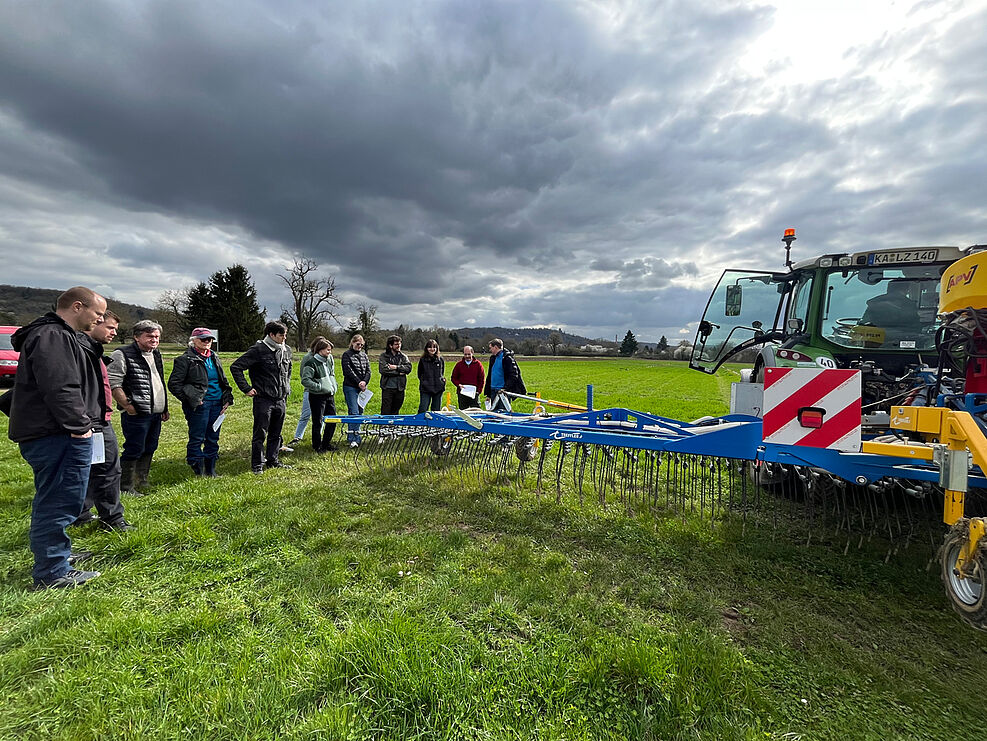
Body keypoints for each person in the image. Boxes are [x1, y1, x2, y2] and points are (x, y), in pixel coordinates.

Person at [7, 286, 106, 590]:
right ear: (78, 307)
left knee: (59, 498)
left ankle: (58, 555)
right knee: (58, 502)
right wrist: (80, 427)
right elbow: (60, 386)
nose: (99, 319)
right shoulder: (53, 336)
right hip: (59, 433)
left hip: (57, 432)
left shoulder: (56, 336)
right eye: (97, 313)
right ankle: (52, 571)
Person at [75, 310, 134, 531]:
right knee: (107, 469)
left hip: (97, 417)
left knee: (93, 467)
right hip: (90, 420)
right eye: (110, 327)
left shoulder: (93, 350)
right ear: (94, 323)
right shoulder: (79, 350)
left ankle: (82, 513)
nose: (113, 333)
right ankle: (112, 519)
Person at [108, 319, 170, 494]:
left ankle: (141, 480)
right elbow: (113, 383)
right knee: (134, 448)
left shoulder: (156, 354)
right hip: (136, 413)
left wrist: (164, 407)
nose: (154, 340)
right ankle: (125, 486)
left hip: (155, 412)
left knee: (150, 446)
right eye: (149, 336)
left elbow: (158, 382)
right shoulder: (121, 354)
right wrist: (127, 405)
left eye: (157, 337)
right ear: (136, 337)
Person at [167, 327, 235, 477]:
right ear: (193, 341)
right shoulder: (185, 359)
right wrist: (192, 399)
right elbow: (174, 384)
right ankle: (198, 469)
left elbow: (222, 380)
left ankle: (211, 471)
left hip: (217, 404)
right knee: (197, 437)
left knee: (213, 437)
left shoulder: (214, 357)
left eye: (209, 339)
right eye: (203, 339)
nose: (207, 342)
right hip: (200, 405)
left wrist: (227, 398)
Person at [231, 321, 293, 474]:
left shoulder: (287, 350)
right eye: (281, 335)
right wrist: (246, 388)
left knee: (276, 433)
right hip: (264, 398)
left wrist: (286, 388)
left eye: (285, 334)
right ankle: (257, 464)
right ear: (271, 335)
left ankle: (273, 460)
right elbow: (236, 367)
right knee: (260, 433)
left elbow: (288, 370)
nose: (284, 338)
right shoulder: (258, 350)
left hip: (280, 398)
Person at [300, 336, 339, 452]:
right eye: (328, 350)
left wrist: (333, 386)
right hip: (317, 396)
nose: (329, 352)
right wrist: (319, 387)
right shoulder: (311, 363)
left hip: (329, 395)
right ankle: (317, 445)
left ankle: (326, 443)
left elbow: (331, 374)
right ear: (320, 350)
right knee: (318, 422)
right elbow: (305, 380)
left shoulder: (328, 361)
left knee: (332, 420)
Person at [341, 334, 371, 447]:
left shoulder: (364, 355)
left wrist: (364, 382)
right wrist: (359, 382)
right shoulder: (346, 355)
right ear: (352, 343)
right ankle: (353, 438)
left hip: (362, 388)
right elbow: (348, 371)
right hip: (350, 386)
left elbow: (368, 371)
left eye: (362, 345)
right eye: (358, 344)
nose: (360, 346)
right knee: (354, 412)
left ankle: (355, 436)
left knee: (360, 411)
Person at [484, 338, 526, 412]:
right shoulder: (492, 358)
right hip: (493, 390)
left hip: (503, 392)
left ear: (496, 347)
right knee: (493, 414)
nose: (490, 350)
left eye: (491, 348)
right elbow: (490, 375)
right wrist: (488, 394)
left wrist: (505, 388)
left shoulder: (507, 358)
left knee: (503, 413)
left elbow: (513, 375)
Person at [378, 334, 412, 414]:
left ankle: (394, 426)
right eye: (396, 344)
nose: (399, 346)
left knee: (396, 411)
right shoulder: (384, 356)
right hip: (387, 388)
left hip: (400, 388)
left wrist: (396, 367)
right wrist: (399, 372)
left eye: (400, 344)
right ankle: (384, 426)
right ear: (390, 345)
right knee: (386, 410)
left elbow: (408, 368)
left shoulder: (403, 357)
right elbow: (383, 370)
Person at [450, 345, 485, 409]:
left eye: (469, 354)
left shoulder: (478, 365)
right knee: (463, 413)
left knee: (475, 413)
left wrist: (479, 391)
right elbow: (453, 378)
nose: (467, 356)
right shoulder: (459, 365)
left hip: (474, 393)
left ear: (472, 353)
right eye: (465, 354)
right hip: (462, 394)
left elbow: (481, 379)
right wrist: (458, 385)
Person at [416, 339, 446, 413]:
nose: (432, 349)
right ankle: (420, 424)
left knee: (436, 410)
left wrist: (442, 381)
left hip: (438, 388)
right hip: (425, 388)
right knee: (423, 408)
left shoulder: (440, 359)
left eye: (434, 347)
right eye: (430, 347)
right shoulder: (423, 360)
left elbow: (442, 372)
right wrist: (424, 382)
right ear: (426, 348)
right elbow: (419, 374)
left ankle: (434, 424)